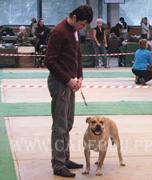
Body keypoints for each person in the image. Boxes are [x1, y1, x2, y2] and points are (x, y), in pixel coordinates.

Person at [45, 5, 93, 178]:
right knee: (59, 127)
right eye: (82, 24)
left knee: (68, 124)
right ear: (74, 17)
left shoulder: (74, 31)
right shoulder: (58, 32)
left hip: (71, 83)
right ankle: (58, 165)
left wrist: (79, 76)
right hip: (60, 84)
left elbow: (78, 54)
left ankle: (65, 159)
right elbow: (50, 62)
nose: (83, 28)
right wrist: (68, 79)